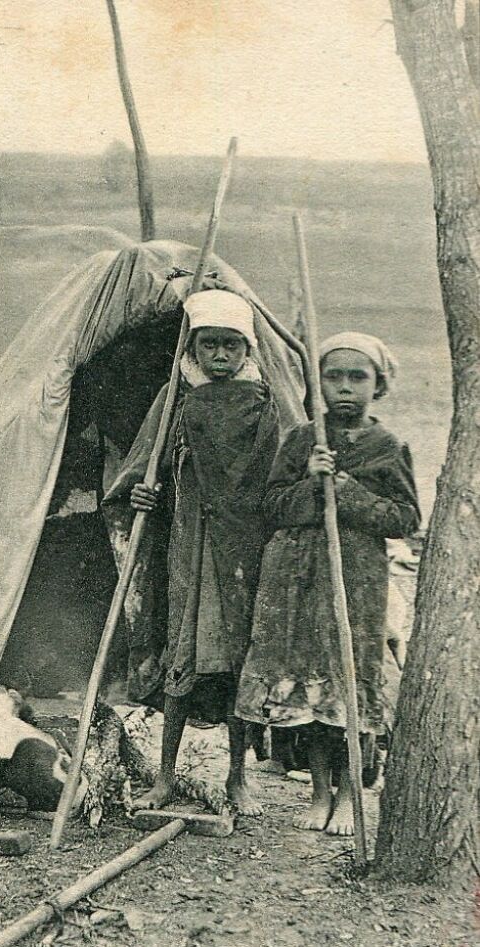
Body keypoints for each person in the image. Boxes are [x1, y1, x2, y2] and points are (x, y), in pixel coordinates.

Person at [235, 332, 421, 836]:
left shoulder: (389, 447)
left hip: (356, 579)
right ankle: (318, 791)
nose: (344, 387)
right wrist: (309, 484)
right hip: (296, 579)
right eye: (332, 377)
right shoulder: (301, 439)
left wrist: (349, 491)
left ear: (378, 385)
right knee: (310, 695)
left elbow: (404, 519)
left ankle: (348, 794)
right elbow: (271, 508)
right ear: (317, 384)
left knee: (348, 687)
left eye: (357, 377)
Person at [104, 288, 280, 815]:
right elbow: (142, 471)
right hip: (188, 546)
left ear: (247, 349)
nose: (221, 357)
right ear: (194, 348)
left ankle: (237, 776)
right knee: (180, 651)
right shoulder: (175, 400)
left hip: (239, 552)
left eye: (231, 346)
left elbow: (271, 483)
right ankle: (164, 775)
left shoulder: (262, 406)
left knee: (235, 659)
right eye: (210, 346)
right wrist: (142, 494)